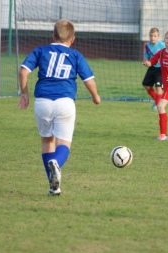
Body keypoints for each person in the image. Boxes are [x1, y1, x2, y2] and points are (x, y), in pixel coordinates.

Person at [17, 19, 101, 196]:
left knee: (47, 142)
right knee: (63, 144)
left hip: (42, 102)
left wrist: (24, 93)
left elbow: (23, 71)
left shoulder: (40, 50)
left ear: (52, 36)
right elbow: (89, 81)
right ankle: (56, 163)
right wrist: (96, 97)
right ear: (72, 39)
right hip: (65, 103)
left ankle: (53, 187)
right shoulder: (76, 55)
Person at [142, 28, 165, 110]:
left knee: (158, 87)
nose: (152, 38)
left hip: (160, 69)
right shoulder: (147, 46)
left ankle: (157, 105)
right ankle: (158, 100)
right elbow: (146, 56)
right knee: (145, 84)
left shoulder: (162, 45)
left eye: (154, 36)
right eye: (151, 36)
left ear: (158, 37)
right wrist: (146, 62)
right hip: (152, 67)